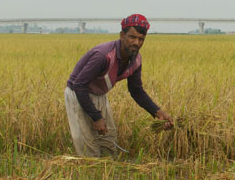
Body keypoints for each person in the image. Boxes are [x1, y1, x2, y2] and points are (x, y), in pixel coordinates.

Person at [65, 14, 173, 157]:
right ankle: (90, 172)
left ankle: (106, 170)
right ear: (122, 35)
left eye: (141, 39)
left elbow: (136, 90)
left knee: (108, 142)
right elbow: (79, 85)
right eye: (132, 37)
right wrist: (96, 117)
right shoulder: (103, 55)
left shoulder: (136, 59)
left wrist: (158, 112)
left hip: (99, 94)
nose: (136, 43)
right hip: (78, 95)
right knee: (89, 146)